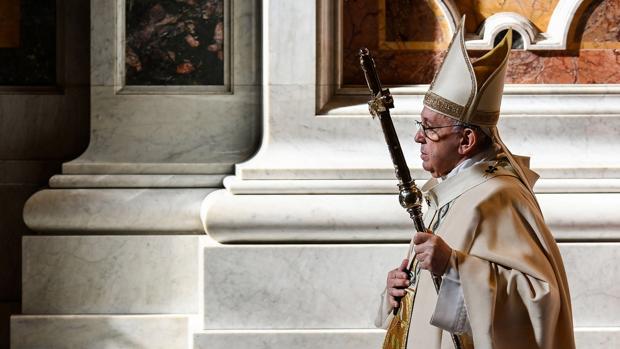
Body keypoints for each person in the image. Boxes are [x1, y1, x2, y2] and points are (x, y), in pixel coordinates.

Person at [375, 17, 575, 349]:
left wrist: (454, 267)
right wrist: (404, 288)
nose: (417, 137)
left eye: (430, 129)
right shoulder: (452, 190)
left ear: (466, 139)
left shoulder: (499, 197)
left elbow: (539, 299)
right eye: (419, 125)